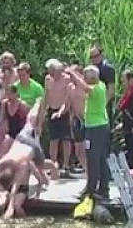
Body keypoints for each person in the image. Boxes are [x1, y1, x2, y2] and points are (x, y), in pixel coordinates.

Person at [0, 134, 45, 219]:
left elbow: (39, 180)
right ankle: (0, 220)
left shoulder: (26, 164)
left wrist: (37, 195)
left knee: (16, 206)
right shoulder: (2, 165)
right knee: (1, 205)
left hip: (22, 189)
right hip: (9, 188)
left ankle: (24, 221)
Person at [67, 65, 112, 201]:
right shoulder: (100, 84)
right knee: (101, 158)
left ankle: (91, 190)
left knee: (93, 159)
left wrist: (71, 72)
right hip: (99, 126)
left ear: (92, 78)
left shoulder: (96, 88)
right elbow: (83, 83)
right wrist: (76, 74)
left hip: (96, 128)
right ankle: (103, 189)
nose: (84, 80)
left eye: (86, 77)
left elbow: (85, 87)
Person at [38, 59, 72, 174]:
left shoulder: (67, 79)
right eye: (50, 71)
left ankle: (66, 165)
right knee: (53, 139)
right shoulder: (48, 79)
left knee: (66, 139)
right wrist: (42, 113)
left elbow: (68, 98)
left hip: (64, 111)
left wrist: (61, 112)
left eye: (53, 71)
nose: (52, 74)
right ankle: (53, 164)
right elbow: (46, 96)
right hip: (52, 111)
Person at [89, 44, 117, 128]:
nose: (93, 59)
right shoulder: (90, 68)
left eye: (95, 56)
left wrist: (102, 105)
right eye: (91, 57)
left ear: (101, 55)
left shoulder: (107, 68)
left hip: (104, 105)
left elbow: (111, 91)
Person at [67, 64, 88, 172]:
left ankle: (93, 175)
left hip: (87, 120)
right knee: (78, 151)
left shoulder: (85, 86)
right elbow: (69, 104)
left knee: (85, 150)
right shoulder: (70, 87)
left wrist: (71, 71)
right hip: (76, 120)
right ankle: (88, 171)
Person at [0, 84, 29, 157]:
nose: (8, 96)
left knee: (20, 155)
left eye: (10, 94)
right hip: (10, 133)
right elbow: (2, 117)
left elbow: (29, 119)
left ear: (15, 93)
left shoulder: (22, 105)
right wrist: (0, 128)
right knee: (4, 150)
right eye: (7, 93)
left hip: (21, 133)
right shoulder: (5, 104)